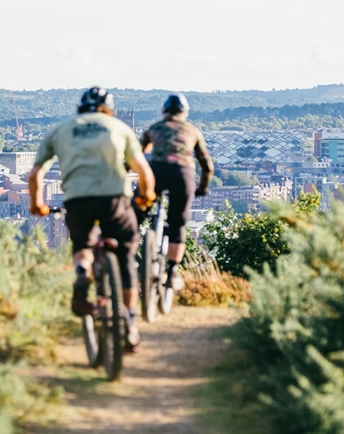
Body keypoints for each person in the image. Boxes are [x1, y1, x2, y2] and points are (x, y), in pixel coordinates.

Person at [28, 86, 155, 352]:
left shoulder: (61, 129)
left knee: (83, 247)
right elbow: (143, 169)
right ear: (108, 109)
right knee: (127, 257)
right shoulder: (117, 127)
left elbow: (35, 175)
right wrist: (145, 196)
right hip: (114, 200)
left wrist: (37, 204)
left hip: (77, 200)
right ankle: (130, 324)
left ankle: (82, 274)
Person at [139, 93, 214, 290]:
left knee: (137, 210)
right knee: (177, 223)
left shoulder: (155, 128)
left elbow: (138, 155)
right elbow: (207, 166)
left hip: (157, 172)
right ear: (184, 113)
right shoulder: (192, 131)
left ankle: (129, 246)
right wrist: (202, 188)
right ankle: (172, 272)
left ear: (164, 112)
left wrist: (124, 172)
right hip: (183, 174)